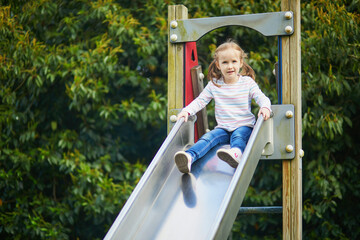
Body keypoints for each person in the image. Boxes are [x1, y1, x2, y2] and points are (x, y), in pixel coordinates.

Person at [174, 40, 271, 174]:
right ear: (218, 65)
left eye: (234, 61)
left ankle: (236, 153)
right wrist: (186, 111)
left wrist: (265, 107)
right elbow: (200, 101)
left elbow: (261, 98)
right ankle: (189, 157)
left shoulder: (247, 83)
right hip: (223, 128)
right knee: (208, 138)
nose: (230, 66)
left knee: (239, 137)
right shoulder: (215, 85)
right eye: (225, 62)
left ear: (241, 63)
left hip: (244, 126)